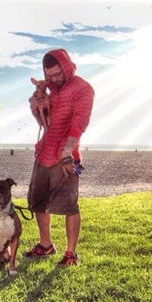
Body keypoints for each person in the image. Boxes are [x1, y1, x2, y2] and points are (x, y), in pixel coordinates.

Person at [24, 48, 94, 267]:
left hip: (67, 156)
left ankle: (70, 253)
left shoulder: (83, 89)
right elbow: (45, 125)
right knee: (37, 201)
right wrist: (37, 108)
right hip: (44, 152)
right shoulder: (51, 90)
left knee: (69, 205)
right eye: (49, 76)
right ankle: (46, 245)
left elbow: (79, 124)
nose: (54, 79)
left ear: (66, 66)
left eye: (57, 74)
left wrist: (66, 155)